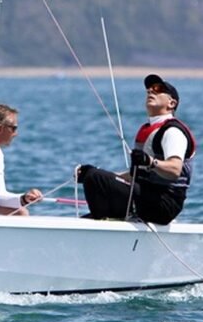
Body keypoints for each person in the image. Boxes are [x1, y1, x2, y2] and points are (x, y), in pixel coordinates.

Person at [78, 74, 196, 225]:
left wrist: (151, 162)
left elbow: (175, 169)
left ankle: (106, 225)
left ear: (171, 103)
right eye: (148, 90)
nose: (151, 91)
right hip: (146, 196)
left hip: (165, 202)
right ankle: (105, 221)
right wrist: (104, 175)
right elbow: (135, 175)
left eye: (158, 89)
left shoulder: (172, 131)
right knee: (94, 176)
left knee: (96, 177)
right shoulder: (148, 129)